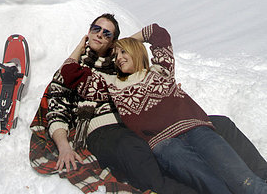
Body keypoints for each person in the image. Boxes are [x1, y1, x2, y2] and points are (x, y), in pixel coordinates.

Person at [59, 21, 267, 194]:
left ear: (136, 52)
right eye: (116, 56)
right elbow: (70, 73)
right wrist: (81, 45)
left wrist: (126, 42)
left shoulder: (161, 70)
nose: (119, 58)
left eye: (124, 53)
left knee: (243, 180)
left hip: (196, 130)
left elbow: (158, 34)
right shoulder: (112, 86)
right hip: (165, 145)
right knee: (214, 187)